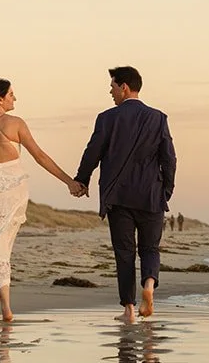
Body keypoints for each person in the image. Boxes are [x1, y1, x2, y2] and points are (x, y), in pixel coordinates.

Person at [0, 78, 83, 321]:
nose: (14, 98)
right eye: (11, 94)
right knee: (2, 245)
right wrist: (69, 181)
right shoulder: (15, 123)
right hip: (13, 190)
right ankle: (5, 307)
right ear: (0, 99)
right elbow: (40, 156)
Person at [72, 66, 177, 324]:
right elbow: (169, 158)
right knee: (150, 248)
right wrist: (166, 190)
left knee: (124, 252)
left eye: (112, 87)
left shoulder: (107, 118)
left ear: (124, 87)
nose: (111, 92)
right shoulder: (158, 118)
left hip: (118, 197)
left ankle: (129, 310)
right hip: (150, 195)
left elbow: (93, 152)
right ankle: (149, 286)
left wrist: (82, 179)